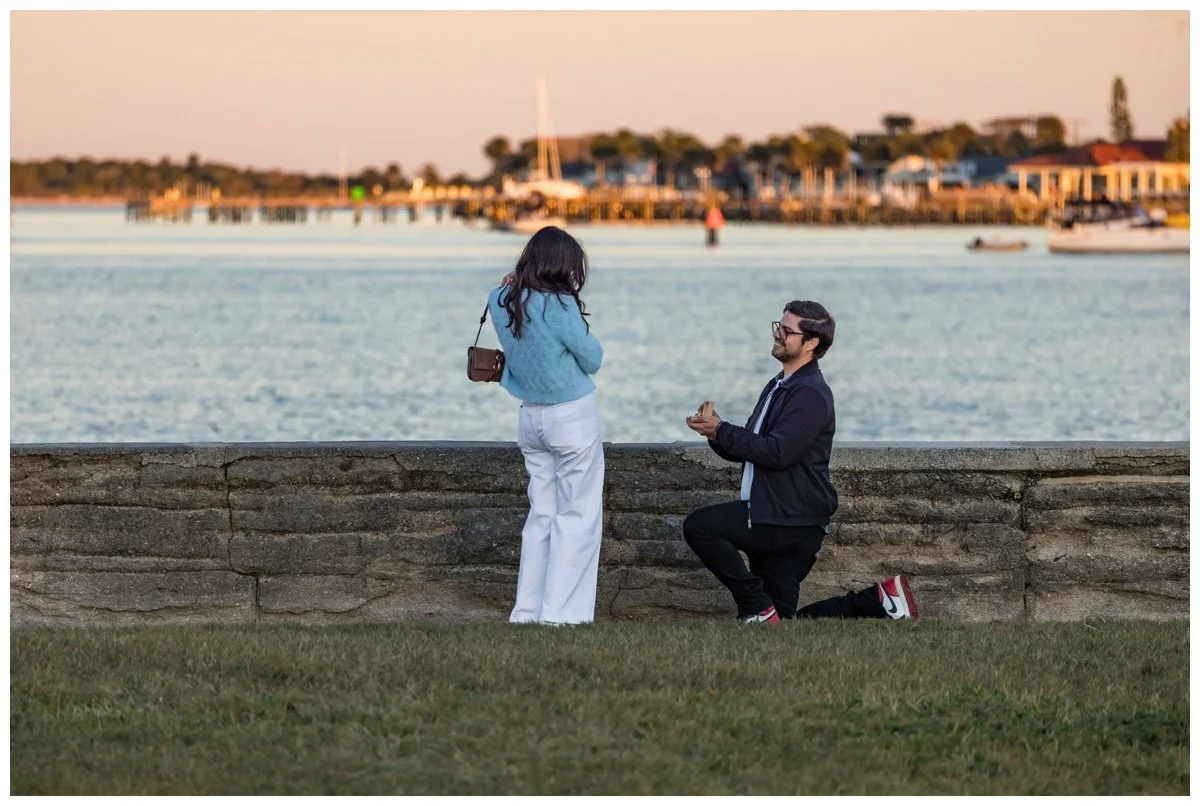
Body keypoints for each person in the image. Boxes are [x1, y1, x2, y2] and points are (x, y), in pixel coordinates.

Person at [683, 300, 919, 624]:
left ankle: (755, 605)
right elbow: (754, 447)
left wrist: (723, 430)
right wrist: (715, 434)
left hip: (788, 518)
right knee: (782, 622)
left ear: (812, 343)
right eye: (778, 327)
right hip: (780, 514)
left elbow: (778, 453)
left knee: (700, 527)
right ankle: (880, 600)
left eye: (787, 331)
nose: (778, 335)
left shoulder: (810, 394)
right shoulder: (779, 386)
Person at [488, 226, 605, 626]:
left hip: (531, 417)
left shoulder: (502, 298)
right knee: (578, 516)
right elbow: (592, 359)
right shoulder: (559, 306)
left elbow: (506, 293)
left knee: (542, 515)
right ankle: (562, 615)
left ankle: (527, 613)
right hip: (571, 417)